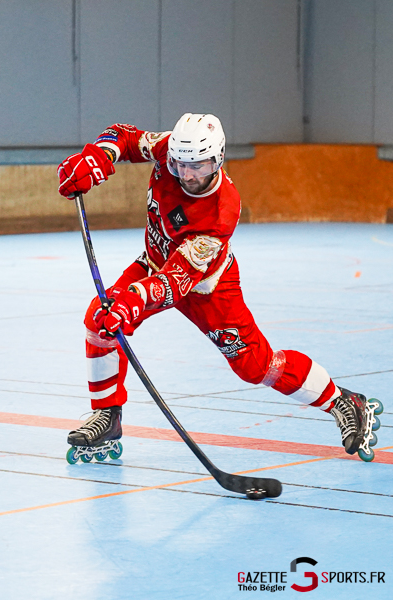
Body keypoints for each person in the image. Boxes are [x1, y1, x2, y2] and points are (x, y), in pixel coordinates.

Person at [56, 114, 382, 464]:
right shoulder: (172, 149)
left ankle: (344, 401)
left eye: (199, 165)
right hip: (154, 262)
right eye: (181, 165)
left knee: (258, 368)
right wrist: (98, 156)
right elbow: (124, 136)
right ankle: (108, 417)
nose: (189, 174)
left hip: (207, 287)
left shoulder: (220, 211)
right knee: (99, 321)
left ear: (219, 157)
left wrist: (131, 301)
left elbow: (175, 283)